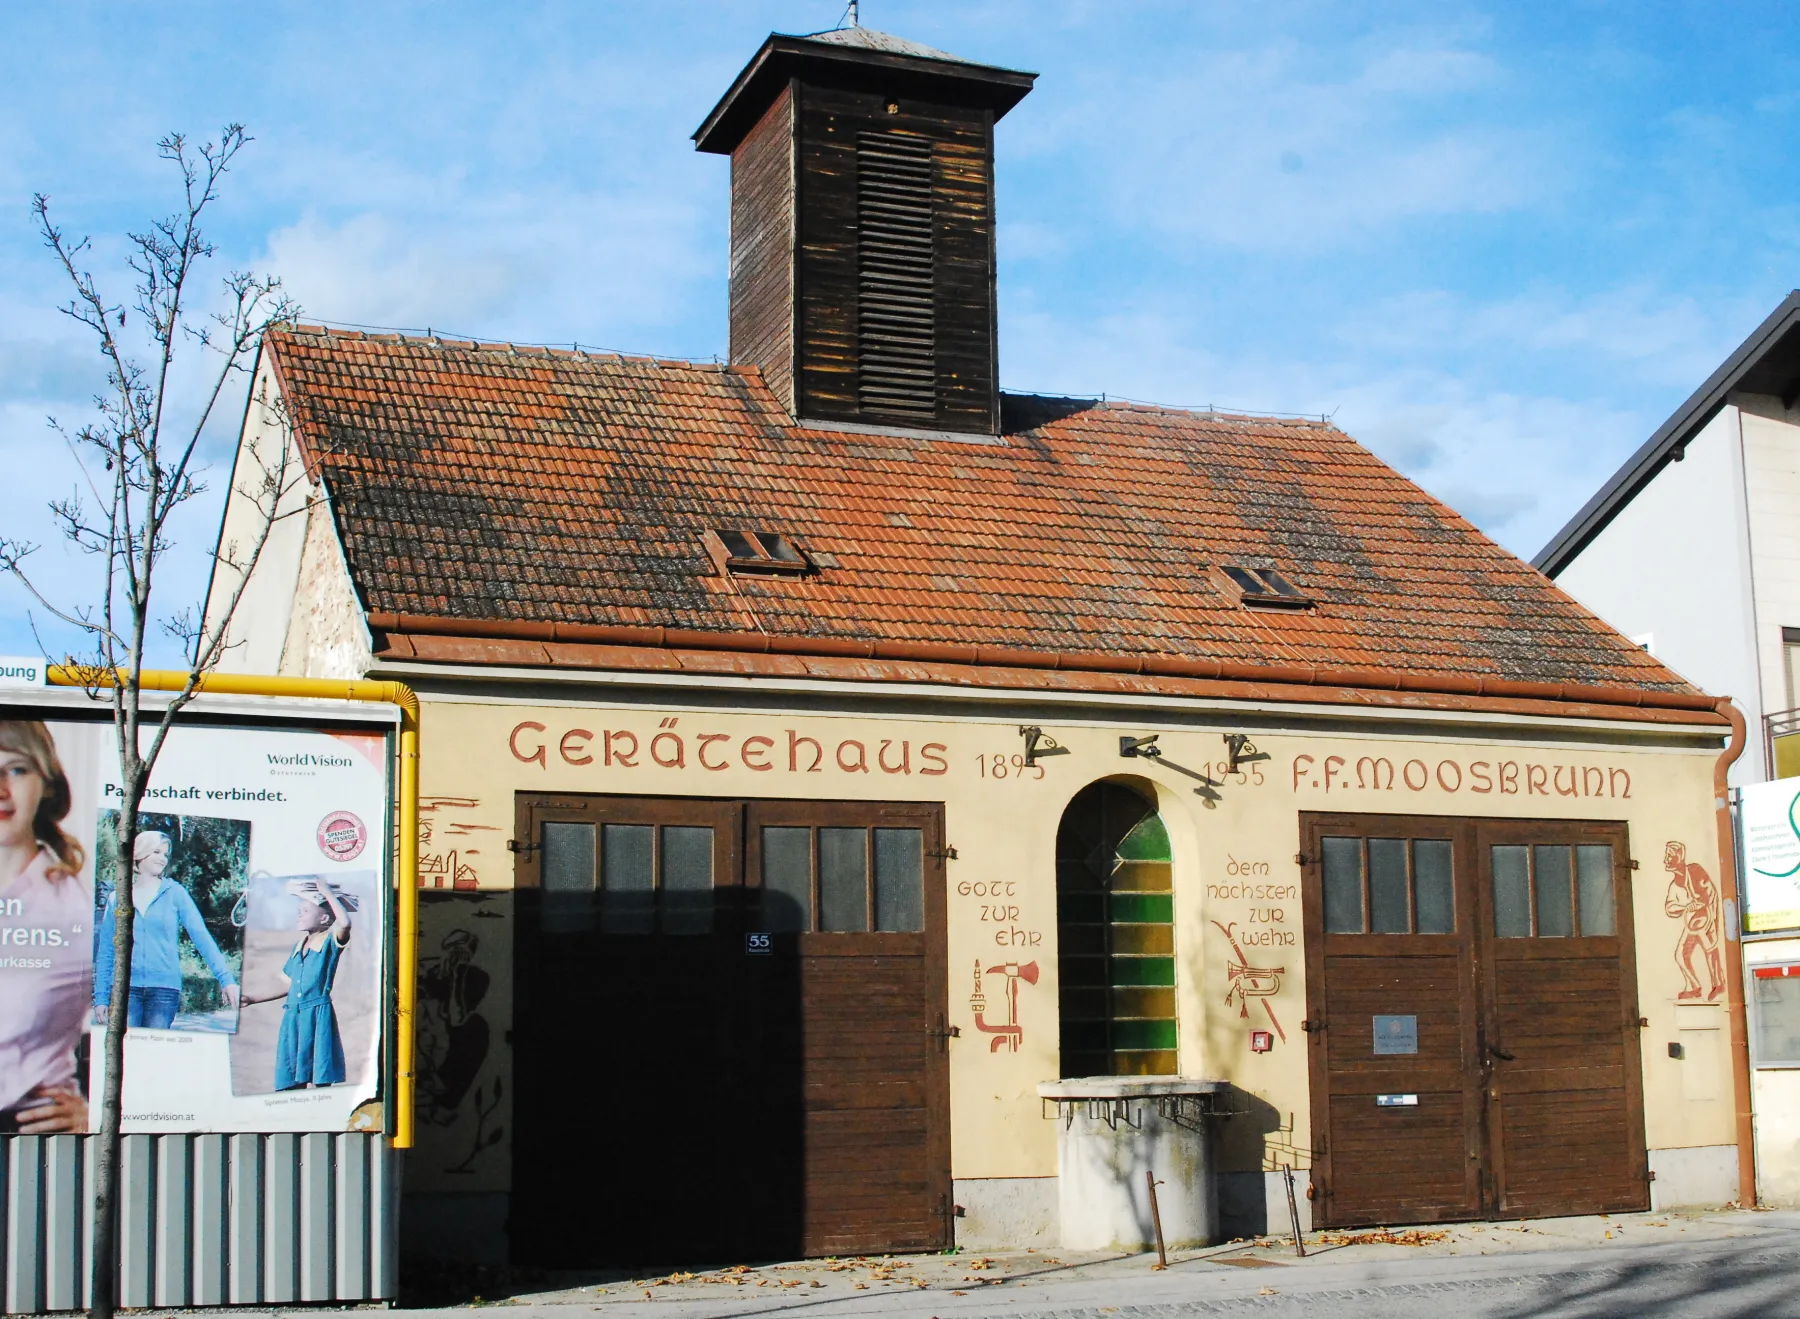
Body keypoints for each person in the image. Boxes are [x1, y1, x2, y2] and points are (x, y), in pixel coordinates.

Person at [0, 721, 91, 1134]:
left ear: (48, 784)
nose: (1, 789)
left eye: (16, 770)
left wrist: (97, 1115)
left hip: (27, 1137)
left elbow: (150, 1029)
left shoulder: (77, 910)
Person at [94, 829, 240, 1029]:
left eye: (165, 854)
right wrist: (101, 996)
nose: (163, 858)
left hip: (164, 991)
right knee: (127, 1054)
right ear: (140, 854)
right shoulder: (117, 898)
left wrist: (226, 979)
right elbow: (106, 951)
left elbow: (202, 938)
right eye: (156, 852)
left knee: (153, 1054)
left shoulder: (175, 893)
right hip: (124, 990)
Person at [273, 880, 353, 1090]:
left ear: (324, 918)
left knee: (320, 1076)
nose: (299, 914)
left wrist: (326, 892)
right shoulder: (297, 948)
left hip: (317, 1015)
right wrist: (251, 998)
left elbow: (344, 923)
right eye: (299, 910)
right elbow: (287, 986)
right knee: (289, 1080)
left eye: (305, 910)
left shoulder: (329, 942)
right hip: (293, 1018)